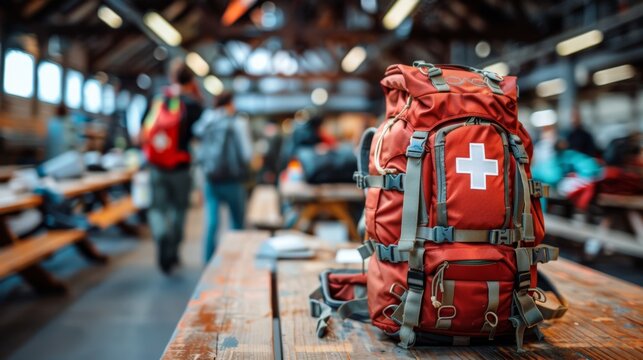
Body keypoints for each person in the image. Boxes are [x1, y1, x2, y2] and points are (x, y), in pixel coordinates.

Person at [142, 61, 203, 273]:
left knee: (157, 208)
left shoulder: (158, 99)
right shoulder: (193, 105)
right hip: (181, 167)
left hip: (156, 166)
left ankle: (161, 235)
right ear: (191, 80)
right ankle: (173, 249)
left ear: (172, 78)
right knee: (179, 209)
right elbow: (199, 137)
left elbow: (143, 130)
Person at [193, 92, 252, 262]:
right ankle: (237, 260)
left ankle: (208, 261)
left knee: (211, 223)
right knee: (237, 223)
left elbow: (196, 136)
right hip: (233, 179)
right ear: (230, 103)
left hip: (211, 178)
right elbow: (247, 154)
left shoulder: (207, 120)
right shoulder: (238, 123)